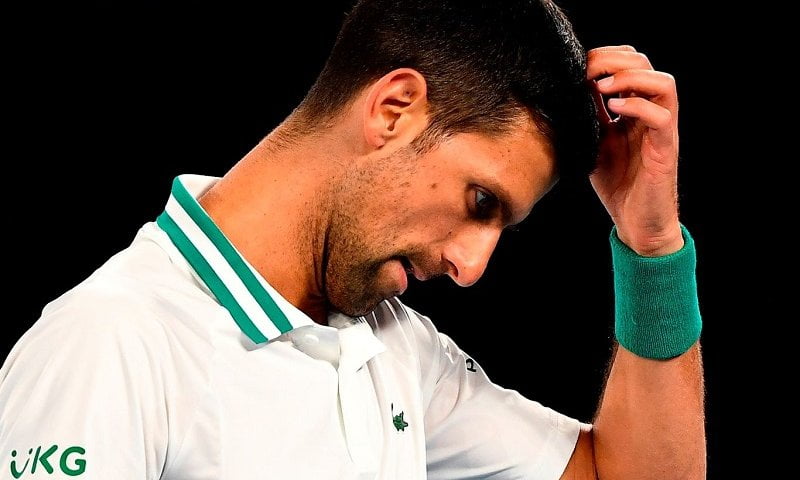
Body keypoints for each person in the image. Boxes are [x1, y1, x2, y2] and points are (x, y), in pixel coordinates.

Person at [0, 0, 705, 478]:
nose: (471, 266)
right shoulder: (109, 342)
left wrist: (651, 246)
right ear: (394, 110)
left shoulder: (397, 349)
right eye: (480, 202)